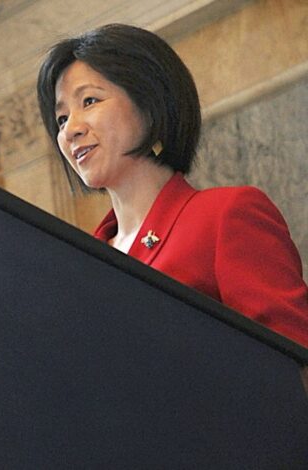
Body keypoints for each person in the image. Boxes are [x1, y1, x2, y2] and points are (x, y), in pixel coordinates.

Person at [36, 24, 308, 347]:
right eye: (62, 118)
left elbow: (291, 361)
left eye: (90, 100)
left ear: (150, 104)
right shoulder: (82, 263)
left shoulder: (224, 216)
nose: (70, 130)